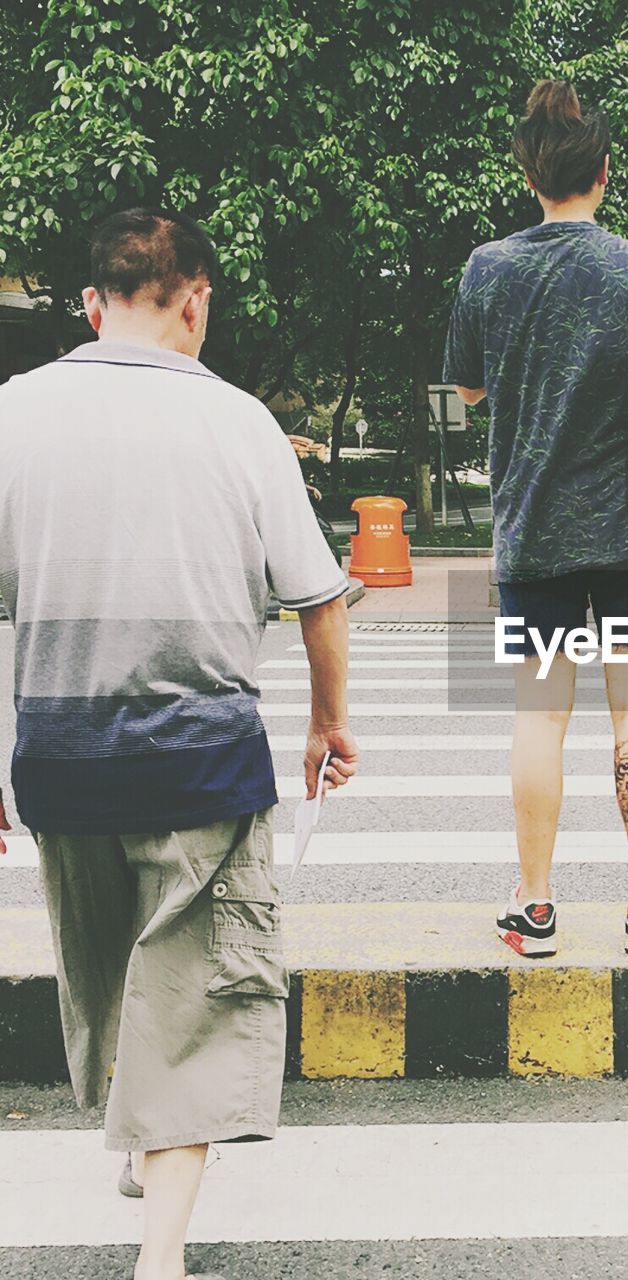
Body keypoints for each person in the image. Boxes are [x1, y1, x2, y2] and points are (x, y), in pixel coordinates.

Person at [0, 207, 358, 1280]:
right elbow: (319, 599)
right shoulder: (240, 422)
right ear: (193, 300)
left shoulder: (13, 412)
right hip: (199, 759)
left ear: (91, 302)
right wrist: (326, 722)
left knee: (109, 975)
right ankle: (162, 1255)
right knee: (197, 994)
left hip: (62, 757)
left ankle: (140, 1147)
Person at [444, 79, 628, 959]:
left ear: (531, 175)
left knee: (539, 718)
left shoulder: (488, 267)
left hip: (533, 534)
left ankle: (533, 906)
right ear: (605, 172)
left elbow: (470, 385)